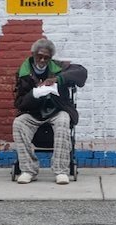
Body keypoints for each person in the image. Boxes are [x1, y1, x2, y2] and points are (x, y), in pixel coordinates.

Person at [13, 38, 87, 185]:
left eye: (46, 57)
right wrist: (34, 94)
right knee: (18, 123)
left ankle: (61, 171)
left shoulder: (58, 67)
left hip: (57, 110)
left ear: (50, 58)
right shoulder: (24, 73)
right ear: (33, 55)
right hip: (34, 111)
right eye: (39, 56)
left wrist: (57, 79)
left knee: (64, 120)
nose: (42, 60)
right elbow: (19, 103)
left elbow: (81, 72)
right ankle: (28, 170)